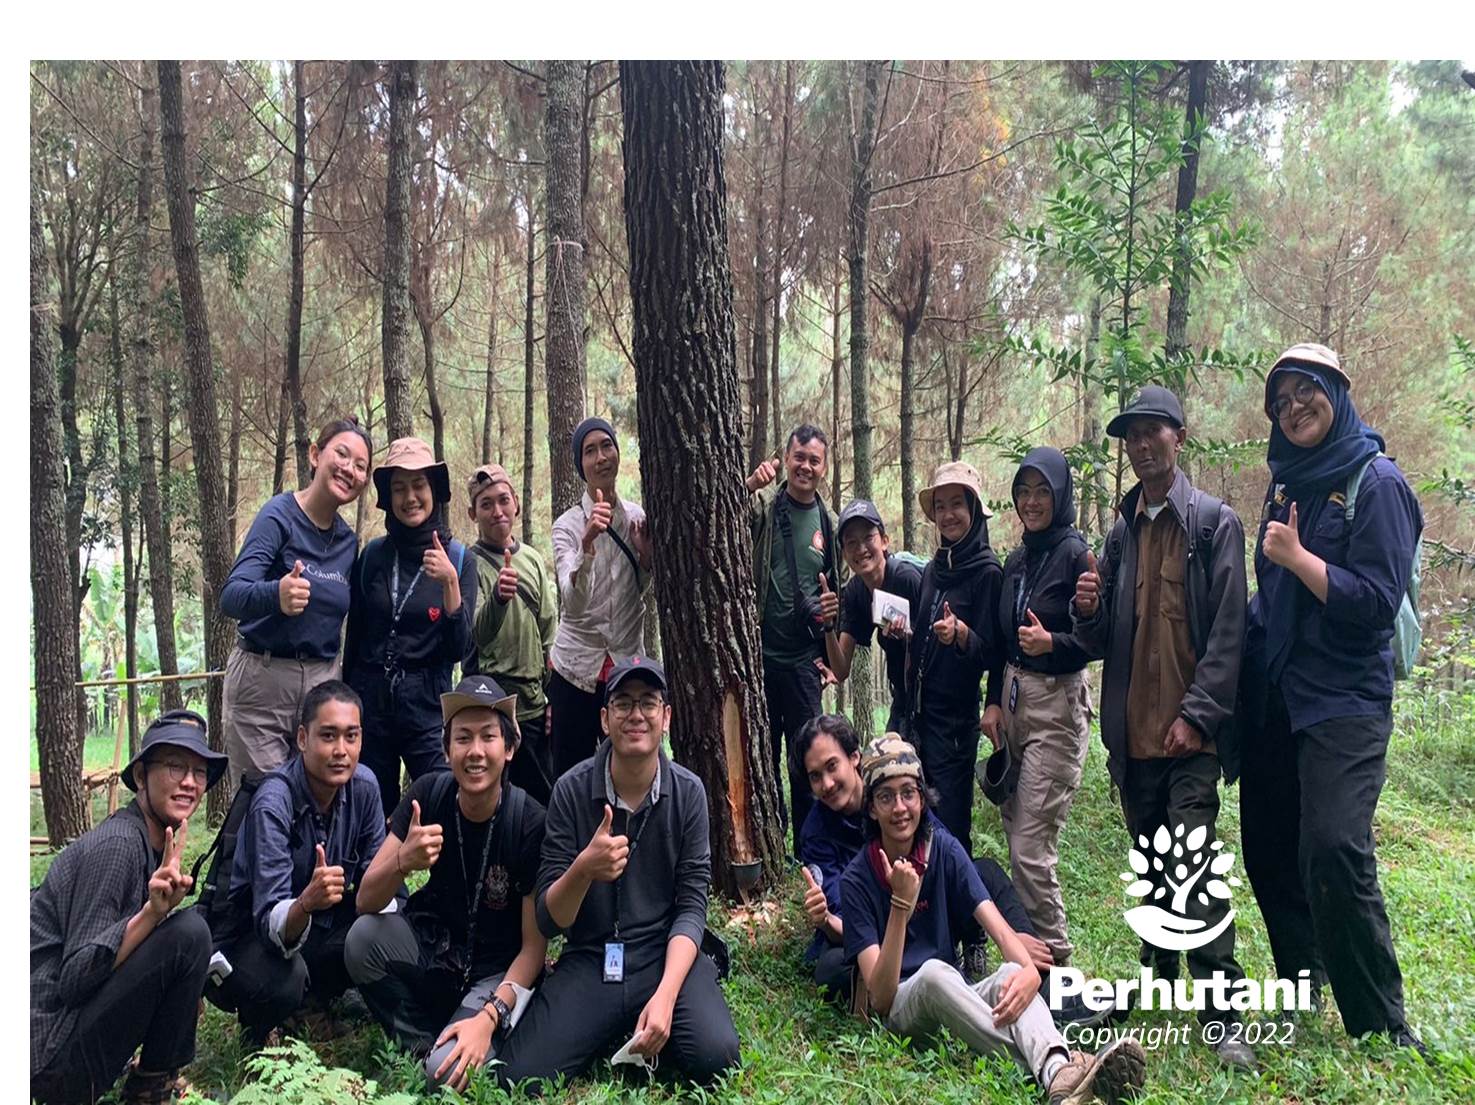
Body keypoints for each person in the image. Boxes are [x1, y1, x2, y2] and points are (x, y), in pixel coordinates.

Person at [1239, 343, 1426, 1050]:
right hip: (1277, 694)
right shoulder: (1286, 483)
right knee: (1268, 846)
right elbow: (1271, 594)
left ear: (1337, 392)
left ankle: (1381, 1022)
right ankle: (1301, 977)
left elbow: (1376, 603)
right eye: (1280, 400)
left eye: (1305, 391)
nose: (1292, 407)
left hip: (1344, 700)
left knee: (1333, 847)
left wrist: (1299, 558)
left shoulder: (1376, 481)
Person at [1071, 385, 1254, 1069]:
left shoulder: (1212, 525)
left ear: (1179, 435)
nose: (1142, 445)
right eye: (1132, 435)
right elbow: (1097, 640)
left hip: (1190, 740)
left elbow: (1229, 635)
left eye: (1154, 431)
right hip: (1132, 738)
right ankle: (1154, 973)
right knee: (1153, 866)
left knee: (1193, 863)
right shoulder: (1119, 533)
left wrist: (1197, 716)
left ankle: (1222, 1013)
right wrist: (1086, 607)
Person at [840, 736, 1146, 1105]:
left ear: (922, 797)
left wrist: (1028, 972)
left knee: (1008, 976)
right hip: (905, 1009)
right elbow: (881, 999)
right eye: (886, 797)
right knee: (935, 974)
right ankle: (1071, 1072)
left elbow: (998, 928)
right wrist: (900, 905)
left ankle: (1059, 1076)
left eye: (909, 792)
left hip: (957, 995)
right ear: (871, 808)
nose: (900, 807)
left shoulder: (944, 849)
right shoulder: (856, 880)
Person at [494, 656, 740, 1091]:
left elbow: (691, 906)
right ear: (605, 720)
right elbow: (551, 920)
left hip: (662, 953)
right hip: (591, 956)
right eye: (623, 703)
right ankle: (614, 1024)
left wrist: (666, 996)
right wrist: (584, 869)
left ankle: (645, 1018)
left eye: (648, 703)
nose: (636, 715)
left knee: (717, 1059)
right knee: (519, 1078)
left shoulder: (689, 793)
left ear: (666, 716)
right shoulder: (570, 791)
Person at [796, 716, 1107, 1027]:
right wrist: (827, 921)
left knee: (983, 871)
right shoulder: (817, 833)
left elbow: (947, 857)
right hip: (874, 932)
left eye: (831, 766)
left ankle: (1049, 990)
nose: (826, 783)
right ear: (874, 809)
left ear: (854, 759)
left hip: (927, 915)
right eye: (814, 776)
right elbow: (846, 919)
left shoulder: (902, 791)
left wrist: (1010, 938)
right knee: (831, 967)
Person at [347, 674, 549, 1090]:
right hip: (436, 950)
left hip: (496, 973)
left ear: (509, 748)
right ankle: (425, 1040)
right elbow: (366, 900)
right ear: (446, 749)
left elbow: (533, 949)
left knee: (447, 1073)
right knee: (362, 940)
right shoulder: (429, 795)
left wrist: (490, 1016)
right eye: (463, 738)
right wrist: (404, 861)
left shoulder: (528, 822)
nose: (475, 752)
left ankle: (471, 1033)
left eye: (488, 737)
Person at [31, 710, 225, 1105]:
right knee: (188, 934)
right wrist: (153, 916)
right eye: (175, 766)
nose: (189, 782)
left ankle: (151, 1080)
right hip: (48, 1060)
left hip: (61, 1048)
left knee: (189, 928)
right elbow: (74, 979)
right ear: (140, 776)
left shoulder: (152, 843)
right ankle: (149, 1090)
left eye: (199, 772)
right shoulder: (118, 845)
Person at [206, 681, 385, 1047]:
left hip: (319, 925)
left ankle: (314, 1001)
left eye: (351, 737)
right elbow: (270, 920)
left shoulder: (365, 787)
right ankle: (262, 1028)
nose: (341, 751)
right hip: (250, 937)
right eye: (328, 736)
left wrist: (398, 864)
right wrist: (306, 902)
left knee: (386, 928)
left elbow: (377, 884)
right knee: (284, 980)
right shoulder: (274, 802)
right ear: (302, 738)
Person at [980, 447, 1096, 968]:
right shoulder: (1019, 557)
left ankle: (1059, 969)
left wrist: (1055, 644)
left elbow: (1098, 638)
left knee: (1030, 846)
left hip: (1056, 704)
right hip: (1014, 698)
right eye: (1023, 491)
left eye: (1042, 491)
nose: (1031, 501)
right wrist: (992, 702)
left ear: (1061, 494)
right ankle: (1033, 960)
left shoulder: (1077, 555)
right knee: (1013, 827)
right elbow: (1002, 640)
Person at [220, 416, 373, 785]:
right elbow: (231, 596)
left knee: (316, 804)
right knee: (265, 803)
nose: (349, 469)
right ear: (315, 454)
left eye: (360, 466)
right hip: (264, 681)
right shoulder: (279, 516)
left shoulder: (348, 543)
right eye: (342, 454)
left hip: (322, 685)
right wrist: (277, 595)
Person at [344, 436, 477, 815]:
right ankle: (375, 874)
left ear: (434, 490)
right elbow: (355, 638)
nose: (410, 498)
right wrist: (350, 704)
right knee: (368, 801)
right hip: (371, 697)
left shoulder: (459, 559)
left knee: (443, 798)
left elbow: (459, 649)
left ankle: (447, 874)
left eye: (418, 486)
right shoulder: (373, 556)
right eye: (399, 489)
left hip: (427, 700)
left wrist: (450, 584)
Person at [746, 424, 843, 840]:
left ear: (824, 467)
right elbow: (722, 517)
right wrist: (749, 483)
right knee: (762, 757)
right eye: (799, 457)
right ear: (786, 459)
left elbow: (840, 590)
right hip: (759, 658)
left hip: (805, 664)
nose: (806, 466)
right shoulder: (765, 508)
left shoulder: (830, 523)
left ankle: (809, 847)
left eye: (814, 460)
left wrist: (831, 647)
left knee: (808, 760)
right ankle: (770, 841)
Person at [907, 460, 1005, 855]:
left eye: (957, 505)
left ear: (974, 511)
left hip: (954, 725)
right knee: (913, 819)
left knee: (948, 825)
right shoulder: (934, 569)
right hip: (918, 715)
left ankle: (958, 912)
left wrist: (963, 635)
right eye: (941, 506)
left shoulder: (986, 572)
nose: (948, 515)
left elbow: (995, 653)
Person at [548, 417, 653, 778]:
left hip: (625, 664)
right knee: (570, 772)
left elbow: (637, 588)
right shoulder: (567, 526)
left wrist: (646, 559)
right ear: (581, 465)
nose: (600, 457)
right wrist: (588, 544)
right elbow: (572, 603)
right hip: (575, 671)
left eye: (606, 446)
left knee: (626, 768)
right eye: (589, 451)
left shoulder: (636, 517)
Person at [465, 463, 559, 804]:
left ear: (516, 503)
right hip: (493, 706)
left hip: (534, 707)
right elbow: (475, 634)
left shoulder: (533, 559)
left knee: (541, 799)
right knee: (495, 800)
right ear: (472, 513)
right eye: (486, 504)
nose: (497, 511)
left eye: (503, 500)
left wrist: (554, 700)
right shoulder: (468, 565)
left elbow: (550, 634)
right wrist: (499, 599)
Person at [818, 499, 924, 733]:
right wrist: (827, 625)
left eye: (868, 538)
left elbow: (935, 644)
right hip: (903, 700)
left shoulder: (907, 579)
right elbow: (841, 669)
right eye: (851, 543)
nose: (861, 548)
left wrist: (909, 637)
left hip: (934, 698)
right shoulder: (856, 592)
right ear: (844, 553)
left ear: (884, 541)